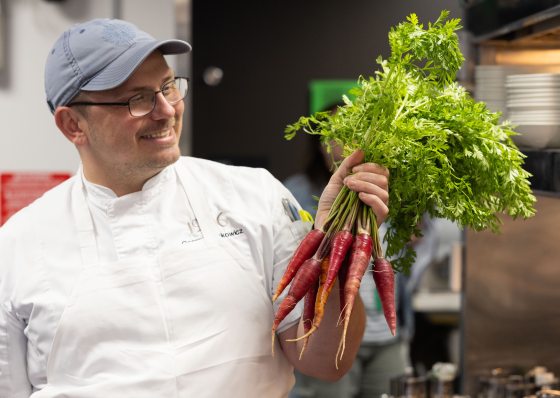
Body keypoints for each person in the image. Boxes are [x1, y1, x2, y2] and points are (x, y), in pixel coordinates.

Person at [0, 19, 390, 397]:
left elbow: (326, 364)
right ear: (73, 126)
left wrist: (335, 246)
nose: (167, 110)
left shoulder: (255, 197)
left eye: (168, 86)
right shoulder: (18, 246)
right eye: (137, 99)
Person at [285, 123, 411, 398]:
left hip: (386, 335)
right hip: (328, 332)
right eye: (335, 137)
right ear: (320, 145)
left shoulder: (383, 192)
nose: (346, 145)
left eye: (353, 135)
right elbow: (290, 257)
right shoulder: (296, 191)